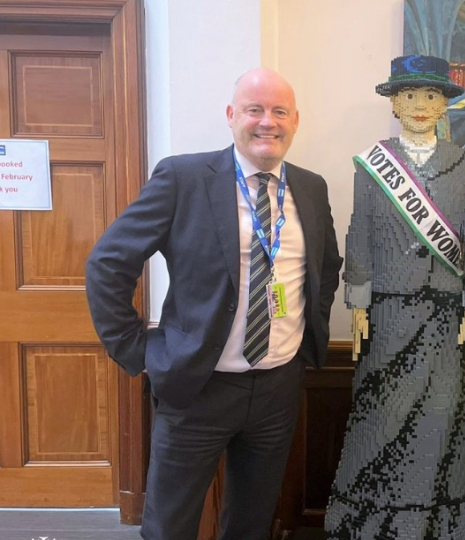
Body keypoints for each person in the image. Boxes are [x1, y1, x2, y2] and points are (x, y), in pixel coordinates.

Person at [85, 68, 342, 540]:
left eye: (279, 111)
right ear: (231, 116)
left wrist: (306, 337)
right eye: (254, 110)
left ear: (295, 121)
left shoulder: (310, 187)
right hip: (197, 387)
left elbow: (326, 268)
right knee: (170, 525)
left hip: (278, 388)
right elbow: (108, 263)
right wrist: (137, 350)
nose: (268, 122)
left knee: (252, 522)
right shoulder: (183, 177)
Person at [325, 55, 465, 540]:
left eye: (432, 95)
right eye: (411, 95)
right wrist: (357, 302)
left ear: (444, 106)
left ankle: (438, 524)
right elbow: (360, 232)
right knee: (380, 418)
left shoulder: (464, 165)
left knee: (440, 418)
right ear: (395, 103)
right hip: (388, 313)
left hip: (443, 317)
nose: (421, 105)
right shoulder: (373, 164)